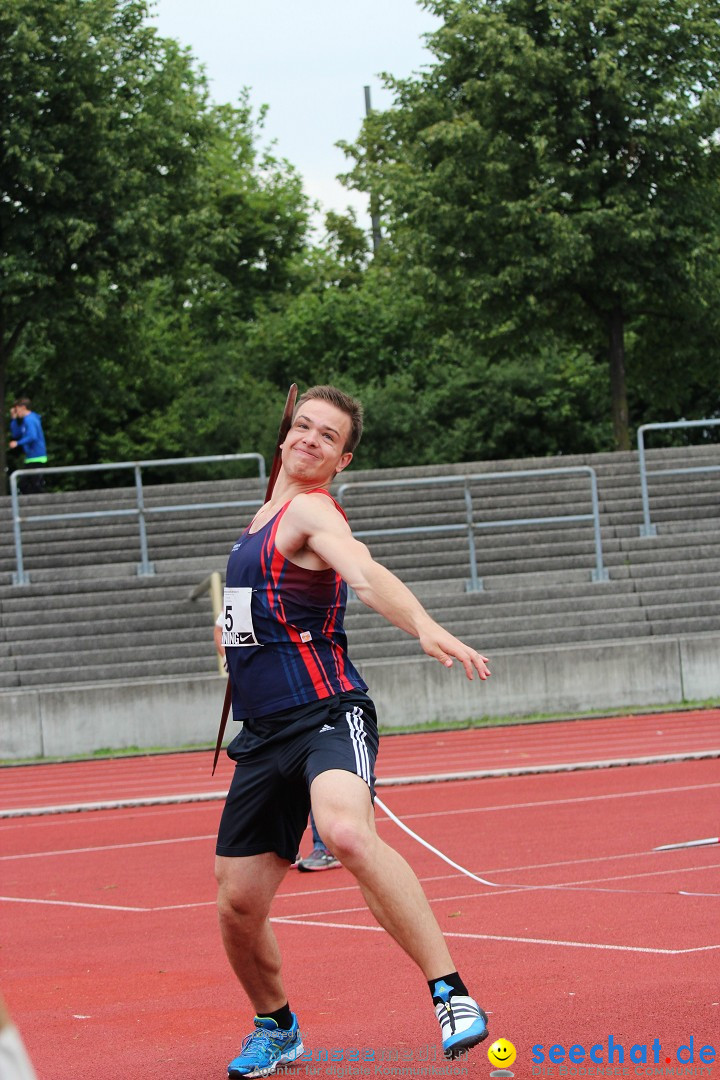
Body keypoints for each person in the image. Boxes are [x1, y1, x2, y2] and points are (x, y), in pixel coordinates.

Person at [216, 385, 491, 1078]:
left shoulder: (311, 512)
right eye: (302, 426)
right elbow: (247, 624)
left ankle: (450, 994)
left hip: (328, 711)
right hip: (264, 734)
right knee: (238, 906)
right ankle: (276, 1027)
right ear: (284, 436)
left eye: (326, 435)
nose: (309, 438)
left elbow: (362, 573)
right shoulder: (257, 521)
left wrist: (422, 624)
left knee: (342, 831)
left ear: (341, 459)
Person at [215, 605, 340, 872]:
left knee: (316, 775)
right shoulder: (245, 586)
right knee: (277, 779)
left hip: (310, 698)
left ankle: (324, 847)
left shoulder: (296, 591)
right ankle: (281, 848)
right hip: (266, 706)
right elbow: (222, 629)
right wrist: (234, 658)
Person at [8, 398, 47, 494]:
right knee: (27, 484)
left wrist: (18, 443)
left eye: (17, 410)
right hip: (31, 457)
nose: (16, 412)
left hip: (37, 456)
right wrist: (13, 418)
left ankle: (41, 504)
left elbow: (32, 436)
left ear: (23, 408)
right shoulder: (26, 420)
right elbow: (16, 434)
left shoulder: (30, 419)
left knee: (29, 484)